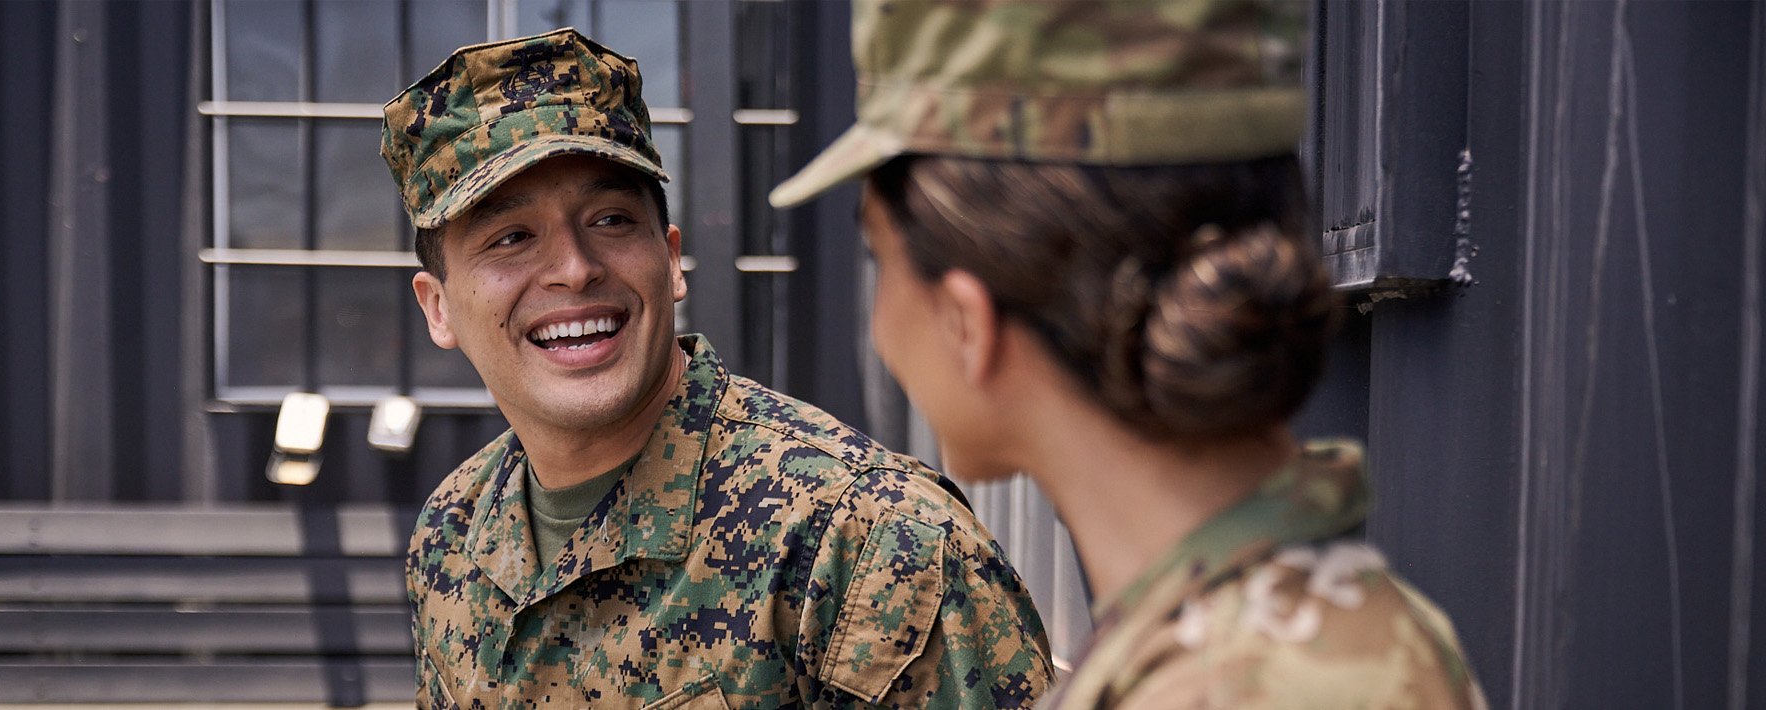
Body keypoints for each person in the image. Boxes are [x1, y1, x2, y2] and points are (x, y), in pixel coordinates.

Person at [771, 0, 1487, 707]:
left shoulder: (1237, 685)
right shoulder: (1280, 646)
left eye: (881, 257)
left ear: (965, 322)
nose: (879, 327)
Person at [380, 28, 1054, 708]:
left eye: (611, 219)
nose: (576, 268)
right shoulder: (453, 532)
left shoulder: (867, 545)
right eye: (511, 238)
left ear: (670, 259)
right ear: (437, 308)